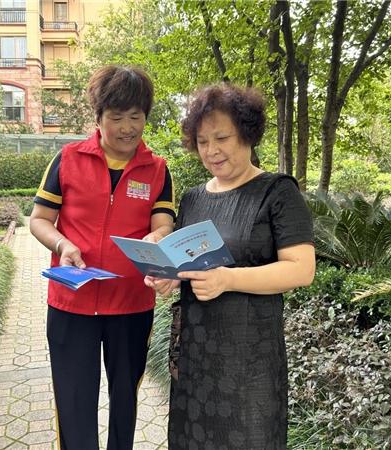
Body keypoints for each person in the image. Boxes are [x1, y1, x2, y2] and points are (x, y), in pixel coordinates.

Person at [145, 84, 315, 450]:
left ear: (247, 134)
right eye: (202, 141)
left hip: (249, 361)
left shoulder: (277, 192)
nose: (211, 151)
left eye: (221, 138)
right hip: (195, 357)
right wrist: (168, 276)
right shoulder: (193, 199)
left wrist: (228, 279)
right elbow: (188, 263)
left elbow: (302, 269)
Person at [30, 65, 176, 450]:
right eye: (116, 117)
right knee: (73, 399)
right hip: (71, 302)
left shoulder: (157, 169)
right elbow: (39, 220)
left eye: (136, 117)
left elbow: (164, 223)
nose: (127, 128)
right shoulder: (68, 159)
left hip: (131, 304)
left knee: (125, 398)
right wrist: (63, 245)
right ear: (98, 118)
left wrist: (157, 237)